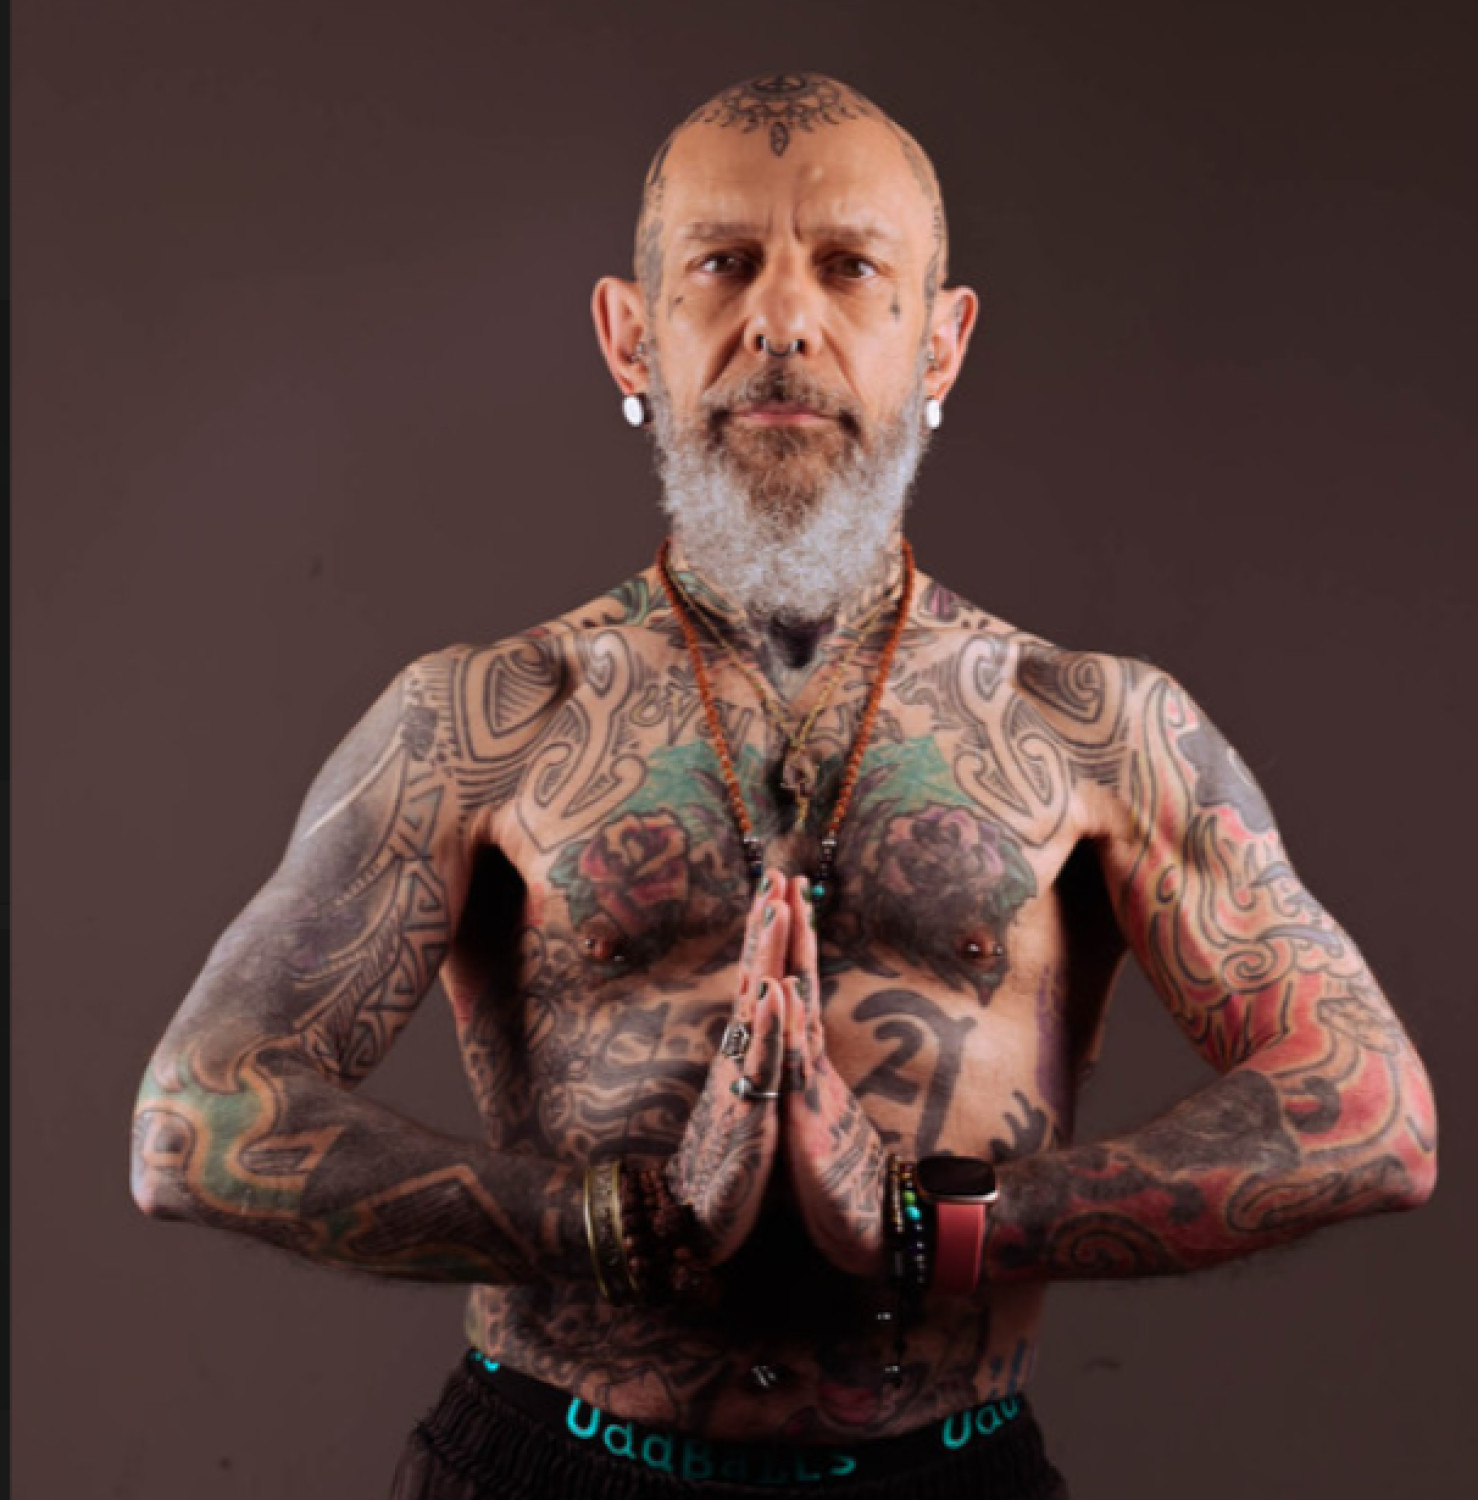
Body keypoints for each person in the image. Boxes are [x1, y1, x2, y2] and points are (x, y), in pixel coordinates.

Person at [130, 73, 1438, 1500]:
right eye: (723, 262)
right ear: (630, 332)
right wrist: (612, 1221)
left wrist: (932, 1226)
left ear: (941, 342)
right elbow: (199, 1119)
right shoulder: (485, 720)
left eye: (850, 267)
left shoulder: (1094, 728)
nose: (781, 322)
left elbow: (1367, 1111)